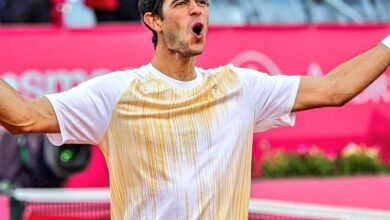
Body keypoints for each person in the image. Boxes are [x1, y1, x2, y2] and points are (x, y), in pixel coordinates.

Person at [0, 0, 389, 219]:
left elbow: (336, 89)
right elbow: (23, 116)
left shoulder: (240, 87)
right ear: (153, 20)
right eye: (181, 4)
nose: (196, 12)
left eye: (201, 3)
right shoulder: (115, 93)